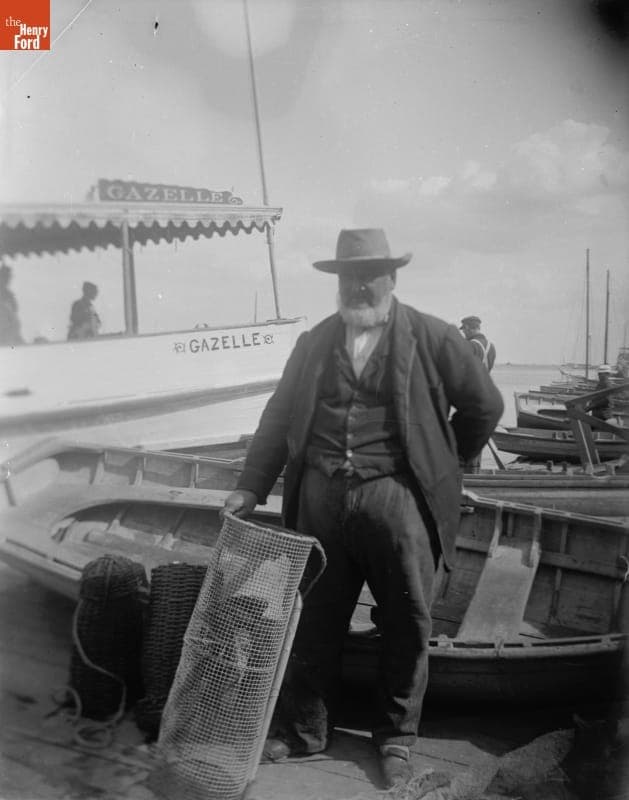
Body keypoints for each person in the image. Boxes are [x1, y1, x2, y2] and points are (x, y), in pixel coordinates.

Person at [223, 229, 504, 789]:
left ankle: (395, 738)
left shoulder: (434, 337)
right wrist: (251, 486)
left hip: (398, 500)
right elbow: (278, 417)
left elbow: (485, 406)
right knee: (314, 618)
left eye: (370, 275)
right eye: (349, 276)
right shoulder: (314, 342)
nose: (359, 286)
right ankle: (305, 731)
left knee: (407, 620)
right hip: (319, 499)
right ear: (338, 281)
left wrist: (444, 463)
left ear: (392, 278)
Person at [459, 316, 497, 472]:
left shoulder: (470, 346)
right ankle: (475, 474)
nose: (464, 333)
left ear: (468, 328)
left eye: (464, 330)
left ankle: (467, 478)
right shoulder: (491, 347)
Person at [0, 263, 23, 346]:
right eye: (5, 277)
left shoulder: (9, 295)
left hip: (12, 337)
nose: (8, 280)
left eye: (9, 277)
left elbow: (14, 315)